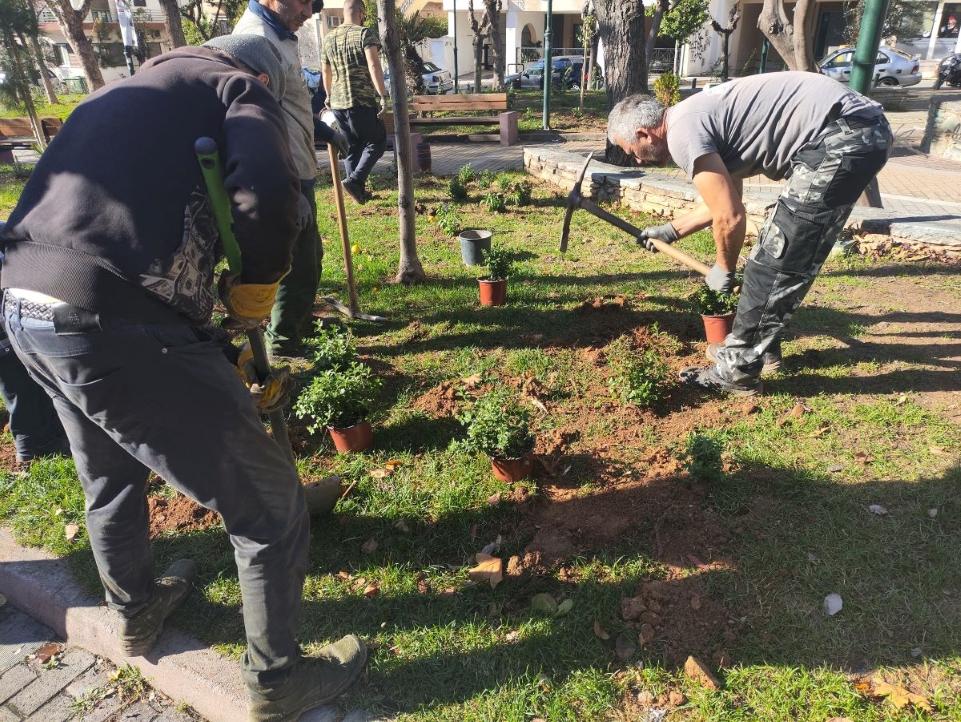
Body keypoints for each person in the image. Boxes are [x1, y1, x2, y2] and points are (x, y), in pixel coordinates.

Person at [0, 35, 366, 720]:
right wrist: (258, 284)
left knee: (107, 468)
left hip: (23, 303)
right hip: (110, 320)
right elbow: (267, 190)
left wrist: (208, 349)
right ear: (255, 69)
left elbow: (122, 221)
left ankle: (137, 610)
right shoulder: (236, 87)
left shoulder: (116, 94)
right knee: (268, 510)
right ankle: (278, 680)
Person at [608, 72, 892, 396]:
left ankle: (737, 371)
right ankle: (759, 349)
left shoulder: (682, 134)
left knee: (775, 260)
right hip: (858, 128)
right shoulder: (692, 117)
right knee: (780, 257)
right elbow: (723, 201)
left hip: (840, 136)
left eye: (630, 150)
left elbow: (730, 217)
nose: (632, 158)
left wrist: (723, 269)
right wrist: (670, 231)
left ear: (644, 134)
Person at [234, 0, 329, 358]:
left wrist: (317, 126)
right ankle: (283, 344)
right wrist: (288, 186)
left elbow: (282, 104)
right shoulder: (255, 41)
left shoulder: (280, 36)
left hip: (297, 170)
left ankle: (292, 327)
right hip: (282, 174)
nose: (310, 12)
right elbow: (255, 122)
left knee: (308, 257)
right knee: (296, 264)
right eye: (305, 2)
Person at [322, 0, 389, 205]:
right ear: (361, 12)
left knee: (353, 147)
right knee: (377, 141)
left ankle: (357, 191)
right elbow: (373, 64)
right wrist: (383, 94)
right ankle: (355, 180)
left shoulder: (329, 37)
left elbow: (326, 70)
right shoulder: (364, 33)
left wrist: (328, 95)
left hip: (339, 103)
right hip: (361, 100)